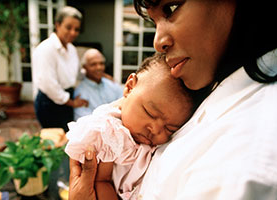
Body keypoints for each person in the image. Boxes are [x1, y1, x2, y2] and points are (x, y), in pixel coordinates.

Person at [69, 0, 277, 199]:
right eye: (154, 22)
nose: (158, 42)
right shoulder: (210, 87)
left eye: (171, 8)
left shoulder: (252, 144)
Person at [66, 53, 194, 199]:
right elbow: (101, 181)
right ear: (129, 87)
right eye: (150, 113)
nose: (155, 130)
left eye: (170, 128)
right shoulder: (110, 131)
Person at [32, 6, 88, 132]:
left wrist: (99, 74)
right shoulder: (46, 49)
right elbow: (48, 85)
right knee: (54, 141)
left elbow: (78, 74)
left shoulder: (72, 49)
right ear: (57, 25)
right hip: (49, 102)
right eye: (68, 27)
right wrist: (72, 103)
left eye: (77, 29)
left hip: (66, 99)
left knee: (67, 138)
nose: (73, 33)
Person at [73, 48, 123, 120]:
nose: (99, 67)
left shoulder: (113, 85)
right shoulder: (80, 92)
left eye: (101, 63)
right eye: (93, 64)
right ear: (84, 67)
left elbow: (125, 107)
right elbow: (83, 121)